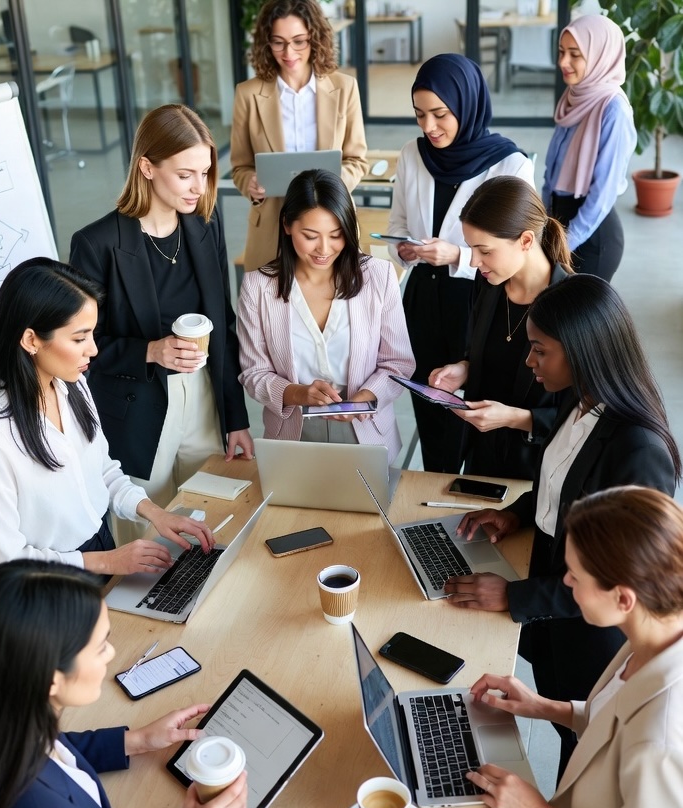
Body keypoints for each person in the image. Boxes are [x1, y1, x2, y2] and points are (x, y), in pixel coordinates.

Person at [444, 273, 680, 776]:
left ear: (582, 351)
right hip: (554, 628)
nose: (529, 364)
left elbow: (622, 583)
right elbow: (564, 480)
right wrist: (515, 513)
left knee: (582, 767)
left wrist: (514, 596)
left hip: (591, 645)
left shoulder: (639, 452)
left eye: (539, 351)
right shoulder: (579, 399)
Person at [0, 560, 247, 808]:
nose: (111, 654)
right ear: (50, 678)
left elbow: (50, 751)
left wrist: (135, 741)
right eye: (100, 647)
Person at [466, 486, 683, 808]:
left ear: (623, 598)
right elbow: (618, 722)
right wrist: (544, 707)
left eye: (575, 575)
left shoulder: (661, 742)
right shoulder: (656, 631)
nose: (565, 583)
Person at [0, 258, 214, 577]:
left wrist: (156, 514)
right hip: (50, 583)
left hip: (101, 547)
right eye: (79, 338)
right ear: (31, 340)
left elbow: (102, 471)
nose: (93, 350)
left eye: (91, 335)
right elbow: (5, 561)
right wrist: (105, 563)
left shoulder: (72, 386)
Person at [70, 104, 252, 529]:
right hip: (139, 409)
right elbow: (80, 348)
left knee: (213, 520)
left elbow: (222, 324)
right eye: (185, 174)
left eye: (204, 173)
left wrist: (236, 418)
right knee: (150, 542)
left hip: (204, 400)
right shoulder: (96, 245)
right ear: (147, 167)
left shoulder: (205, 223)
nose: (198, 187)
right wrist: (150, 351)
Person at [387, 54, 535, 473]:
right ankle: (434, 492)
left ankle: (474, 496)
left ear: (466, 106)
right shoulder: (413, 154)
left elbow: (518, 251)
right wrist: (401, 248)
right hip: (422, 299)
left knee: (475, 407)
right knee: (431, 402)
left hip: (480, 299)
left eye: (440, 114)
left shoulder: (510, 164)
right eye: (419, 116)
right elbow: (398, 224)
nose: (429, 127)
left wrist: (457, 255)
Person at [237, 169, 415, 463]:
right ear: (286, 226)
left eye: (336, 235)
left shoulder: (378, 276)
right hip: (293, 431)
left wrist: (364, 399)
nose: (324, 249)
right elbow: (253, 373)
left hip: (365, 428)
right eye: (310, 236)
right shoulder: (258, 286)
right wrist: (296, 393)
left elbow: (398, 362)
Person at [429, 176, 572, 481]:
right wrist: (465, 368)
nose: (475, 260)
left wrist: (516, 419)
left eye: (485, 250)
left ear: (525, 241)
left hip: (540, 472)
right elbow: (488, 350)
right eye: (471, 248)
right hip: (482, 461)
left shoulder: (574, 305)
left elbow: (587, 413)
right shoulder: (489, 285)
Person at [231, 0, 368, 272]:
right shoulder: (247, 94)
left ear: (315, 38)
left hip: (330, 221)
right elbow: (240, 167)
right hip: (272, 223)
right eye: (278, 42)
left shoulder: (345, 88)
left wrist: (335, 181)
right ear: (266, 43)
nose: (288, 52)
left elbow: (357, 160)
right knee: (272, 306)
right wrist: (251, 184)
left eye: (299, 41)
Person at [543, 14, 636, 280]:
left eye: (575, 54)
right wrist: (547, 228)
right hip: (559, 227)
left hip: (591, 239)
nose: (563, 62)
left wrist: (566, 243)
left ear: (600, 55)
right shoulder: (574, 95)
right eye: (561, 52)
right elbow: (553, 172)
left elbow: (603, 192)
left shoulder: (613, 109)